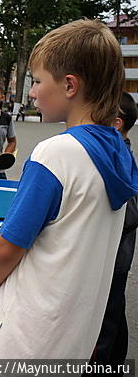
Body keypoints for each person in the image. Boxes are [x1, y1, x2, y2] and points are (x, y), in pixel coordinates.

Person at [0, 20, 138, 376]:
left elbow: (6, 246)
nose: (32, 92)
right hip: (73, 340)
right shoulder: (120, 154)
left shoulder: (56, 154)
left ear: (70, 85)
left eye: (38, 81)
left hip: (20, 341)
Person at [91, 92, 138, 373]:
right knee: (114, 316)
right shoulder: (116, 152)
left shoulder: (121, 157)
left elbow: (131, 213)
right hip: (112, 257)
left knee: (105, 324)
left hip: (112, 259)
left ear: (116, 123)